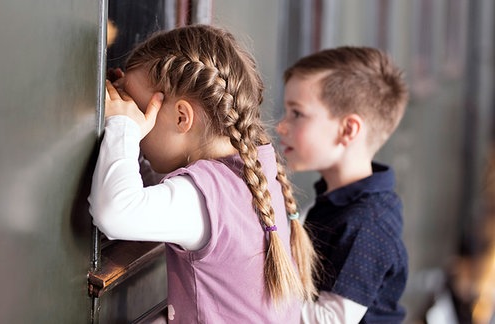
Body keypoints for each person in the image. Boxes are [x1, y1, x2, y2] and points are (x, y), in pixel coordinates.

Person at [89, 24, 317, 323]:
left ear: (182, 117)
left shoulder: (203, 194)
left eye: (139, 110)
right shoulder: (252, 171)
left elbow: (114, 213)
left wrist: (123, 128)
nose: (138, 124)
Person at [275, 46, 410, 323]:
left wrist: (246, 287)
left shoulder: (368, 222)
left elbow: (328, 319)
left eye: (296, 113)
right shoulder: (334, 198)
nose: (281, 126)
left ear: (348, 130)